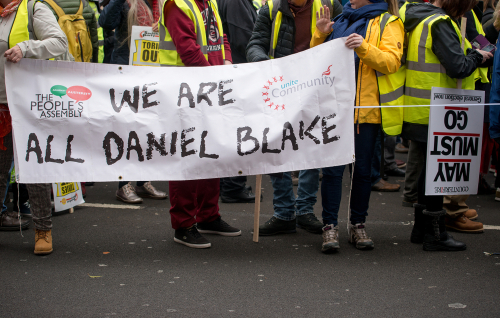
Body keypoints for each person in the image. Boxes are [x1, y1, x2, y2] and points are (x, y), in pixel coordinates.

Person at [312, 0, 404, 252]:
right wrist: (320, 33)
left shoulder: (389, 22)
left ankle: (357, 225)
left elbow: (391, 62)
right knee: (332, 172)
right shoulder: (342, 20)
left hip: (365, 112)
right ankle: (329, 227)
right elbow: (315, 61)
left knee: (362, 173)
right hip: (335, 109)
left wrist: (363, 47)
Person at [246, 0, 343, 237]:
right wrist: (262, 64)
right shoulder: (270, 8)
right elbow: (256, 43)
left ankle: (303, 211)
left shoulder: (331, 5)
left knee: (309, 147)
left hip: (314, 87)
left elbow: (339, 45)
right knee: (275, 147)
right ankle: (285, 213)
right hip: (279, 88)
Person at [403, 0, 492, 251]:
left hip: (421, 107)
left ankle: (421, 229)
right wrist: (477, 55)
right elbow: (458, 67)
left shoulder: (419, 17)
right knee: (435, 175)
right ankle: (435, 234)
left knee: (427, 172)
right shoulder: (440, 23)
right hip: (437, 109)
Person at [159, 0, 241, 248]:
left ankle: (208, 216)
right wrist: (215, 81)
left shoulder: (209, 2)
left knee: (210, 154)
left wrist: (226, 61)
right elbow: (188, 51)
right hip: (186, 91)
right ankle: (183, 225)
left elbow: (220, 37)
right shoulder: (176, 4)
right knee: (188, 157)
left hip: (208, 88)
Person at [0, 0, 68, 254]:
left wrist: (26, 48)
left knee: (34, 168)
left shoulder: (32, 8)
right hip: (1, 105)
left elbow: (59, 42)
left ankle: (43, 229)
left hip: (27, 105)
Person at [99, 0, 167, 203]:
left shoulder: (160, 5)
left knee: (148, 129)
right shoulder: (126, 4)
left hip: (150, 72)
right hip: (126, 72)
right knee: (126, 130)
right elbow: (105, 22)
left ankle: (143, 181)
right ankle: (124, 184)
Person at [215, 0, 259, 203]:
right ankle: (233, 186)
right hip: (240, 74)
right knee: (238, 131)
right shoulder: (236, 1)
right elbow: (244, 39)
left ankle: (231, 184)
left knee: (232, 131)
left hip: (233, 72)